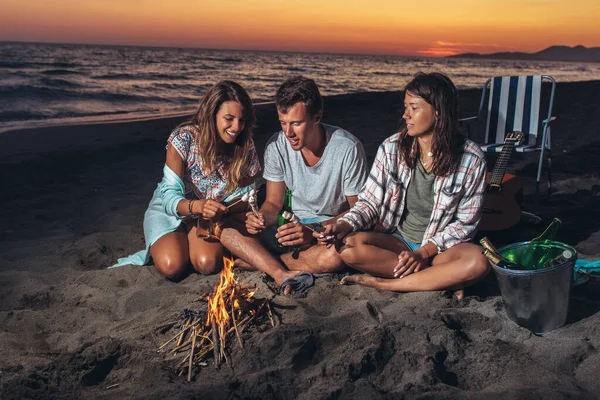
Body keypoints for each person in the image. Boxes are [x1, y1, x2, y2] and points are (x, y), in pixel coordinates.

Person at [111, 80, 303, 292]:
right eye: (229, 119)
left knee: (207, 264)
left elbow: (247, 198)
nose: (236, 128)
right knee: (171, 266)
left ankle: (195, 239)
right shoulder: (183, 139)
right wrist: (197, 207)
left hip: (212, 217)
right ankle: (177, 239)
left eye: (242, 120)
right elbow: (168, 196)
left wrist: (241, 212)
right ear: (212, 115)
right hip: (173, 210)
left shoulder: (244, 145)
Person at [317, 72, 489, 298]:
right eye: (405, 107)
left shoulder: (471, 158)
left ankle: (388, 284)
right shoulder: (391, 148)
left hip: (439, 250)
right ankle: (438, 277)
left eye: (414, 108)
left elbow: (465, 225)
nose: (405, 115)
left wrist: (423, 253)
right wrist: (342, 225)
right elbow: (369, 203)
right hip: (397, 242)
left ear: (438, 111)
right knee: (347, 247)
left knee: (479, 261)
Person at [244, 76, 368, 274]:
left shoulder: (347, 148)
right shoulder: (276, 145)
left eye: (296, 123)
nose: (288, 132)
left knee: (336, 256)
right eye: (283, 123)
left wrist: (312, 232)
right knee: (241, 236)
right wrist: (261, 218)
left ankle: (265, 263)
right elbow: (274, 204)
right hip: (289, 227)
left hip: (329, 228)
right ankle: (289, 261)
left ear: (317, 117)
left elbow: (359, 209)